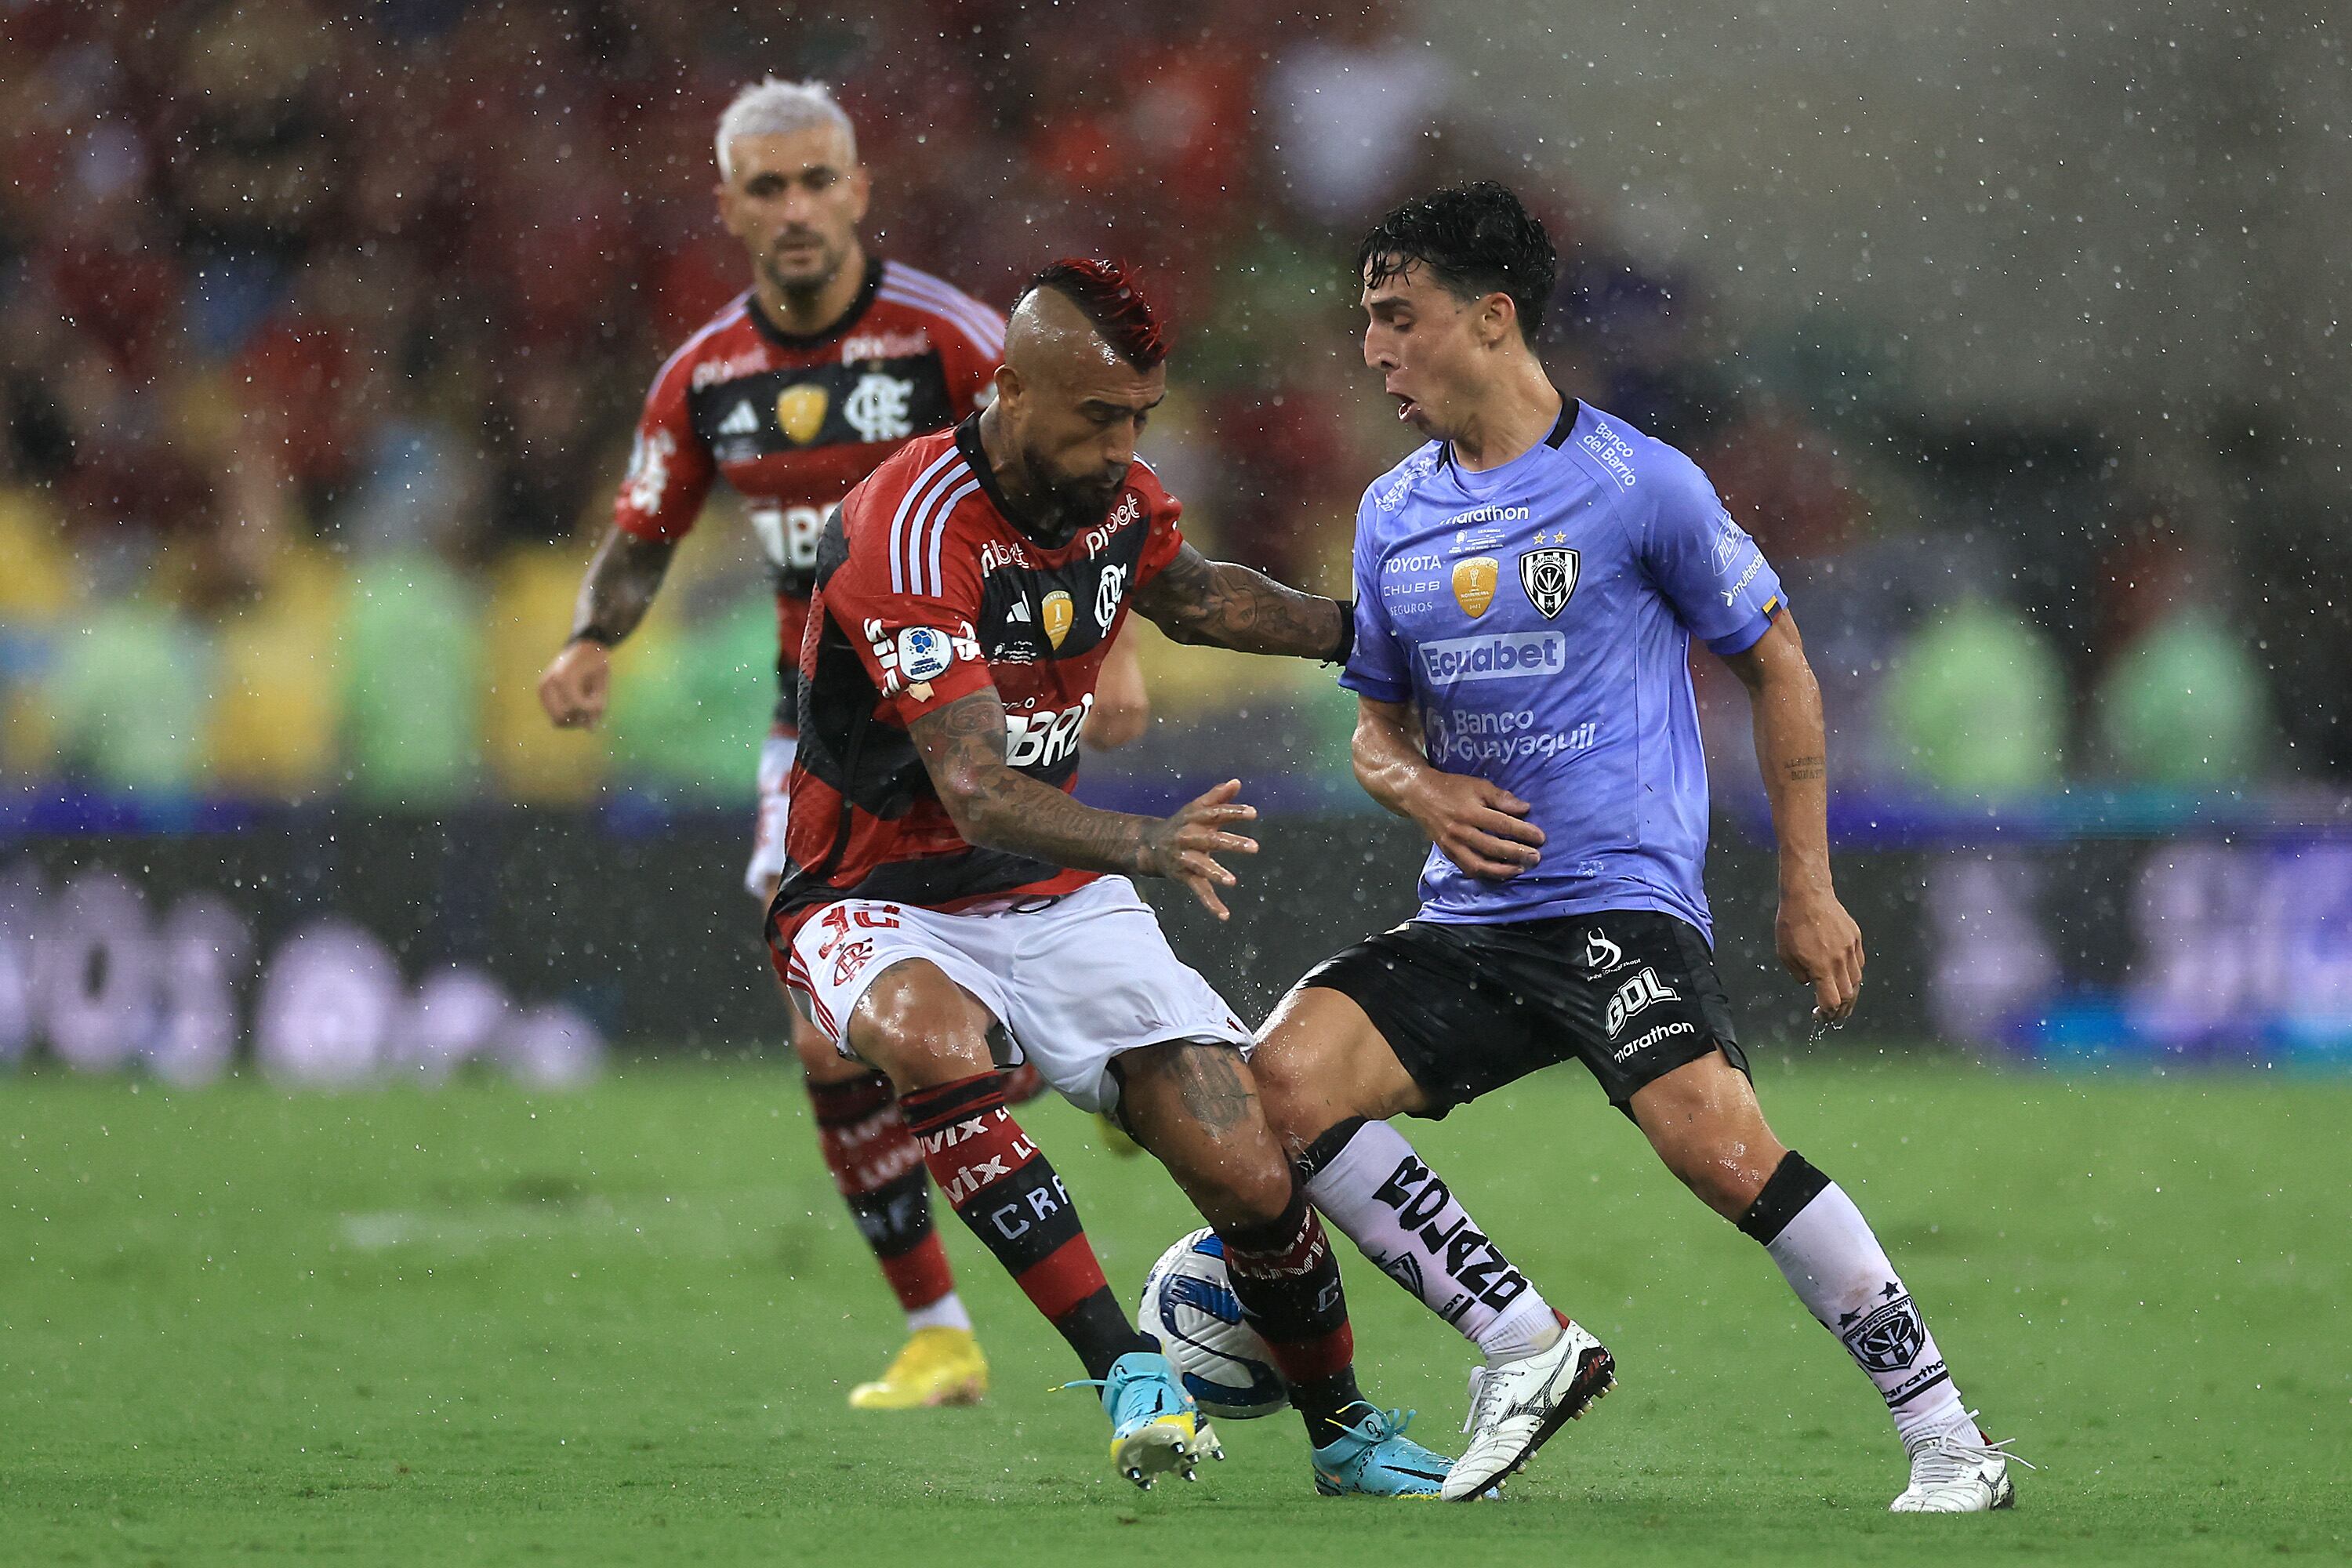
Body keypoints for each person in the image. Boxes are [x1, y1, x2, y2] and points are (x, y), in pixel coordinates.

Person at [1248, 183, 2023, 1512]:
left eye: (1398, 317)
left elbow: (1778, 663)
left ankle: (1952, 1441)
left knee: (1722, 1153)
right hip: (1470, 918)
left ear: (1492, 320)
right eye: (1365, 321)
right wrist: (1420, 790)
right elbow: (1373, 733)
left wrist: (1808, 886)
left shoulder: (1638, 485)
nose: (1373, 350)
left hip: (1615, 900)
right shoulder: (1391, 514)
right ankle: (1521, 1341)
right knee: (1280, 1083)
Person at [767, 256, 1458, 1495]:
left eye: (1139, 414)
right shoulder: (909, 528)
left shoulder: (1117, 496)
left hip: (1043, 884)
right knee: (932, 1038)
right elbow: (973, 784)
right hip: (868, 893)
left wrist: (1361, 635)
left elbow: (1195, 600)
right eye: (1098, 416)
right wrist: (1144, 842)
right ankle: (1127, 1365)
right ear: (1010, 389)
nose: (1123, 444)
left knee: (1244, 1160)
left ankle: (1346, 1437)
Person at [534, 78, 1149, 1414]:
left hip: (980, 707)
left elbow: (1080, 475)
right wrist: (592, 639)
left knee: (975, 978)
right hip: (815, 734)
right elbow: (642, 541)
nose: (797, 208)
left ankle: (1095, 1064)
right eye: (768, 187)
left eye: (819, 180)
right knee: (826, 1038)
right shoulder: (704, 377)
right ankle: (939, 1330)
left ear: (861, 189)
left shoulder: (948, 334)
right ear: (730, 207)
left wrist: (1125, 647)